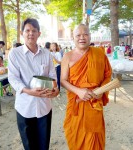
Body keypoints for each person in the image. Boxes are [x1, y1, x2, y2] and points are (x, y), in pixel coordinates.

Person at [8, 18, 59, 150]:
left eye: (34, 30)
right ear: (22, 33)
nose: (31, 33)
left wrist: (56, 89)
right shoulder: (15, 54)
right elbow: (13, 78)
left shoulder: (46, 54)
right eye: (27, 30)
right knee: (29, 145)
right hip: (25, 107)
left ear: (39, 33)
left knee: (43, 144)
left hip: (44, 107)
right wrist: (27, 91)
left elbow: (52, 76)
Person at [61, 24, 112, 150]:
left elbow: (108, 75)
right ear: (73, 38)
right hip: (76, 105)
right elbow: (63, 80)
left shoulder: (99, 54)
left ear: (90, 36)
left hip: (94, 104)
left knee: (94, 139)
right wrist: (78, 91)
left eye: (85, 34)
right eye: (78, 35)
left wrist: (102, 90)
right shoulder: (67, 56)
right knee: (75, 137)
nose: (82, 37)